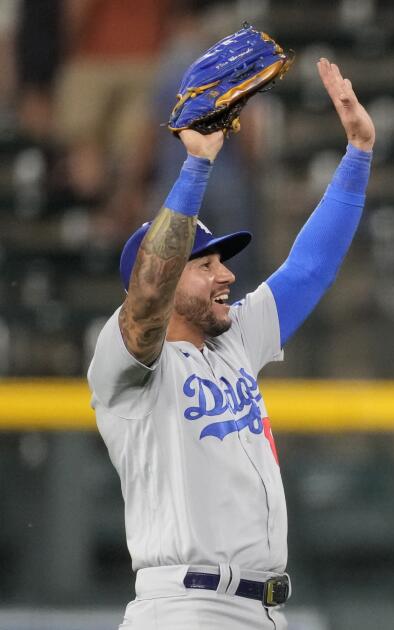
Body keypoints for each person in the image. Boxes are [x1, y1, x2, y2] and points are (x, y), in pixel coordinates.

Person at [86, 58, 374, 629]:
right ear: (164, 278)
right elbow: (146, 301)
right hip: (185, 608)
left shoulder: (234, 339)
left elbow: (308, 269)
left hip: (261, 610)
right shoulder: (129, 365)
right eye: (206, 265)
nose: (226, 276)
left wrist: (359, 154)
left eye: (223, 262)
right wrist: (195, 167)